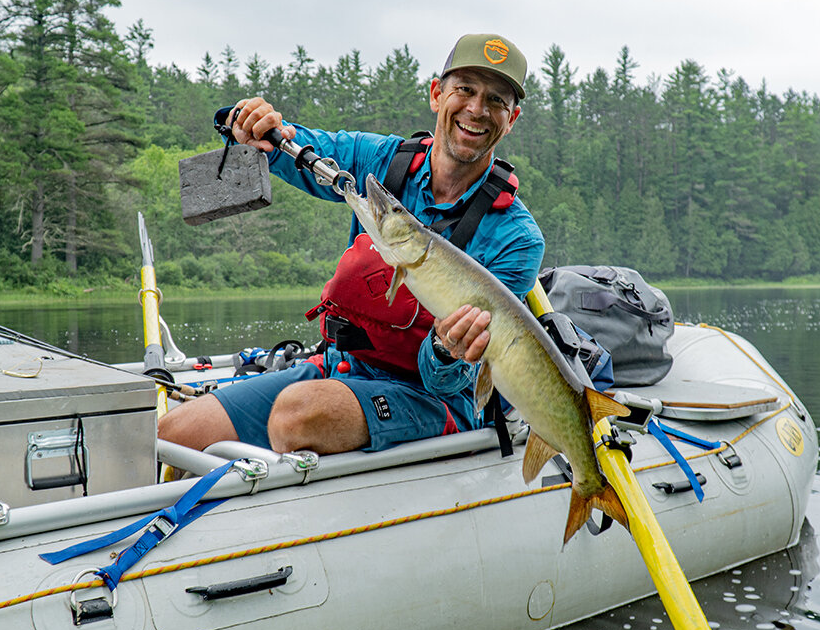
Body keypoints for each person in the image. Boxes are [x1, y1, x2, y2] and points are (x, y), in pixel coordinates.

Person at [158, 34, 544, 455]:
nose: (476, 109)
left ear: (512, 119)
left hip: (434, 398)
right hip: (344, 366)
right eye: (465, 89)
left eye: (496, 101)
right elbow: (291, 145)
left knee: (297, 414)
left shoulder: (517, 239)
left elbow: (462, 382)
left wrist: (445, 350)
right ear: (437, 94)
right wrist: (246, 122)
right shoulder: (382, 161)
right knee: (173, 433)